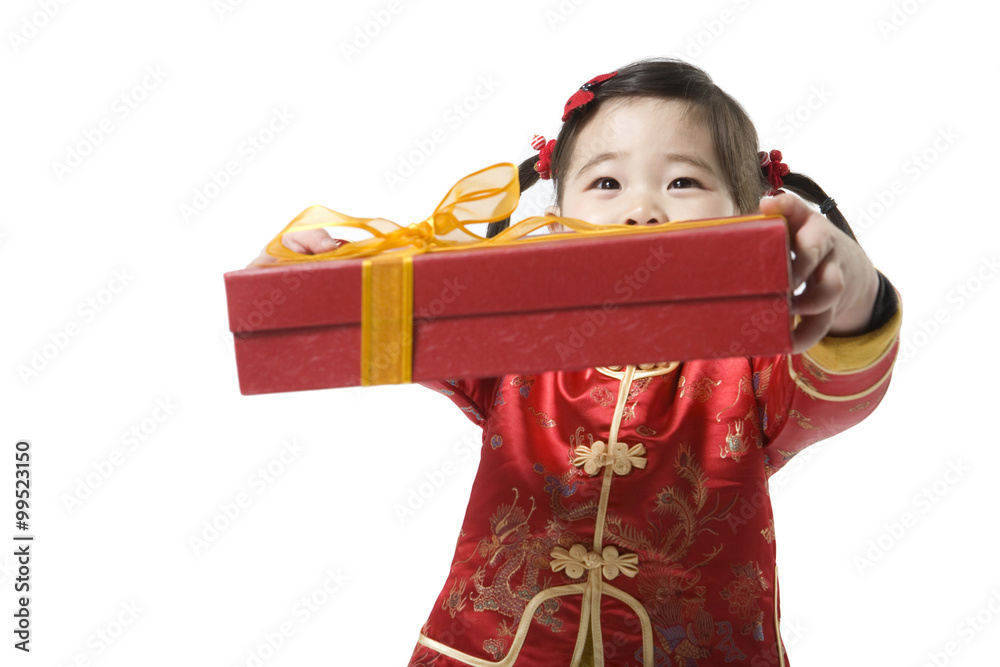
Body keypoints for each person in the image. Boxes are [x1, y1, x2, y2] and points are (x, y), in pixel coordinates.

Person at [252, 58, 901, 666]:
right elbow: (394, 329)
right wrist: (308, 285)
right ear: (557, 220)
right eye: (607, 183)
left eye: (683, 181)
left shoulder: (757, 367)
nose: (641, 208)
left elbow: (843, 382)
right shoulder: (513, 337)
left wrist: (845, 275)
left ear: (746, 215)